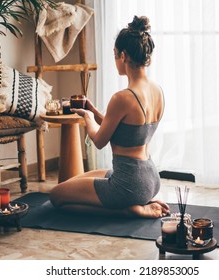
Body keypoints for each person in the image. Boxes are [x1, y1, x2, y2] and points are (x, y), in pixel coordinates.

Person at [49, 15, 169, 218]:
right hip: (150, 178)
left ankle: (128, 210)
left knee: (57, 196)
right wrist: (95, 111)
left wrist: (86, 117)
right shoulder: (157, 90)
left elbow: (99, 140)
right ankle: (138, 201)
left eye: (114, 55)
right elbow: (126, 131)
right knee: (74, 181)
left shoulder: (122, 97)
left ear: (123, 56)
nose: (115, 60)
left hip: (128, 185)